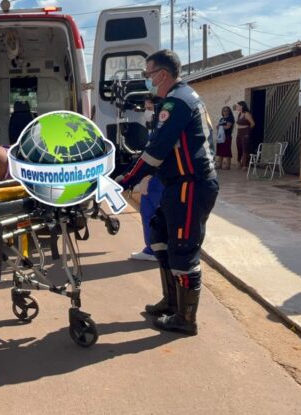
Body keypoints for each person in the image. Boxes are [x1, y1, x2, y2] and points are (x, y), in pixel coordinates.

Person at [117, 49, 219, 335]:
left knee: (184, 248)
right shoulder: (182, 97)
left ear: (162, 74)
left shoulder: (176, 103)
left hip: (191, 185)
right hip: (180, 184)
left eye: (148, 74)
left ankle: (186, 319)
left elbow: (155, 152)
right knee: (160, 232)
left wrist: (127, 180)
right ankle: (172, 302)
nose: (147, 80)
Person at [130, 97, 163, 262]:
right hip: (152, 176)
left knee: (156, 213)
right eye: (145, 107)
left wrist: (147, 176)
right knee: (147, 211)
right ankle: (152, 249)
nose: (146, 111)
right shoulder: (153, 127)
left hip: (158, 177)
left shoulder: (163, 127)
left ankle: (157, 250)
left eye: (149, 107)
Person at [234, 101, 255, 170]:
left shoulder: (247, 114)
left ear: (242, 106)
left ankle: (244, 165)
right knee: (239, 147)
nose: (237, 107)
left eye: (238, 106)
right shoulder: (240, 114)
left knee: (244, 148)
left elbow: (252, 123)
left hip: (245, 132)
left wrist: (248, 131)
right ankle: (239, 163)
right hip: (239, 132)